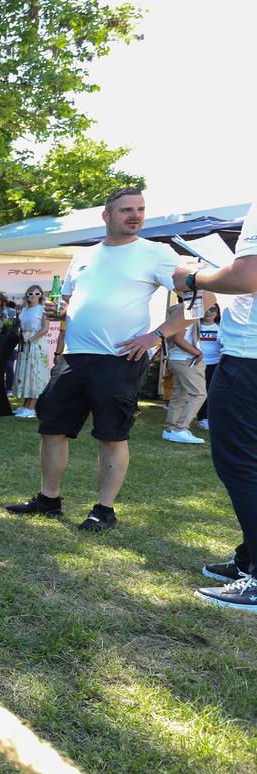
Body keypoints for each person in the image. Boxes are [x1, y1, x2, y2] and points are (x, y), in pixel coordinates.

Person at [6, 187, 180, 531]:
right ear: (107, 216)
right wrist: (61, 310)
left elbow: (197, 298)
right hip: (73, 358)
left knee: (111, 435)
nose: (135, 215)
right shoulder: (84, 255)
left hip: (120, 359)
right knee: (51, 428)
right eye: (126, 210)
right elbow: (71, 302)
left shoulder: (156, 253)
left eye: (140, 209)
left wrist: (156, 335)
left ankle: (104, 510)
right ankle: (48, 499)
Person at [166, 202, 257, 610]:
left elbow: (248, 275)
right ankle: (248, 557)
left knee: (240, 465)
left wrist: (192, 276)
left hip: (250, 358)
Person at [162, 305, 207, 444]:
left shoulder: (178, 311)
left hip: (178, 359)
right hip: (186, 360)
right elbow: (178, 338)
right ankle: (180, 429)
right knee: (199, 394)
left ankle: (169, 430)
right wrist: (197, 352)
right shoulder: (189, 312)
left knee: (180, 395)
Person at [12, 285, 50, 418]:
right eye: (30, 293)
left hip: (36, 345)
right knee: (25, 374)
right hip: (24, 344)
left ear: (41, 295)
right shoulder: (24, 309)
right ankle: (25, 405)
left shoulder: (43, 309)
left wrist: (31, 339)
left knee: (35, 375)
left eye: (37, 293)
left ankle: (32, 407)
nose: (33, 296)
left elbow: (45, 329)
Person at [195, 303, 221, 430]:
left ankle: (204, 418)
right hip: (195, 363)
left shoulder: (221, 328)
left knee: (208, 392)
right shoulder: (194, 326)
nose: (209, 312)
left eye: (213, 309)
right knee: (195, 392)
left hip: (213, 364)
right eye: (206, 308)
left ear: (217, 312)